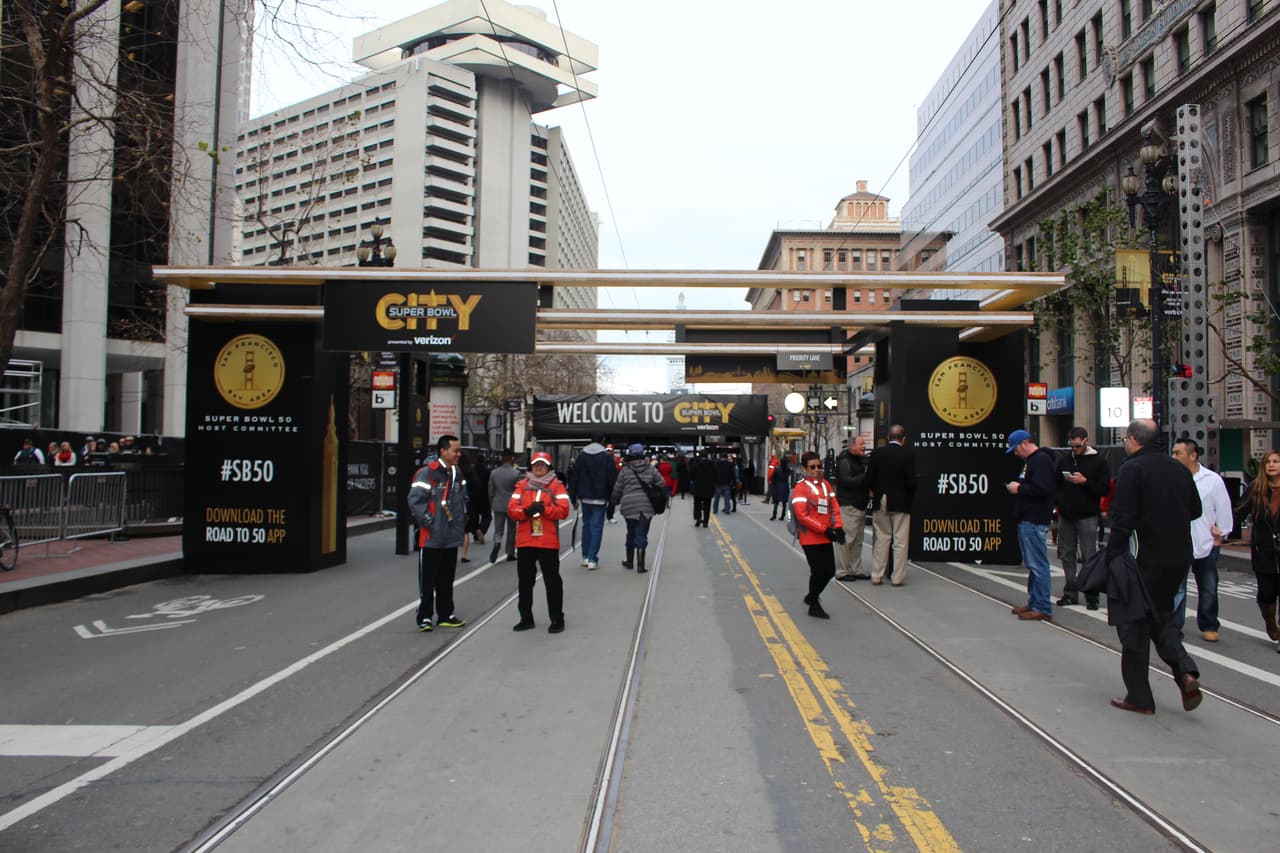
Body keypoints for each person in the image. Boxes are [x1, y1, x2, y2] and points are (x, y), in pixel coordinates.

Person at [1105, 419, 1204, 715]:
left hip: (1144, 558)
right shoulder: (1178, 468)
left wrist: (1111, 556)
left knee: (1133, 624)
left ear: (1133, 439)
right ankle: (1185, 671)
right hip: (1177, 557)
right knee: (1161, 617)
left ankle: (1139, 697)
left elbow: (1121, 518)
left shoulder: (1132, 469)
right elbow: (1195, 509)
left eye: (1125, 438)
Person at [1171, 437, 1233, 641]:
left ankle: (1209, 624)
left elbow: (1223, 507)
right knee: (1177, 587)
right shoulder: (1171, 477)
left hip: (1207, 540)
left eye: (1178, 453)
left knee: (1208, 586)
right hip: (1179, 540)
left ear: (1193, 455)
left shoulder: (1212, 479)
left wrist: (1222, 534)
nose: (1174, 457)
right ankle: (1174, 625)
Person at [407, 434, 469, 632]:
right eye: (455, 450)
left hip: (451, 537)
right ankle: (424, 617)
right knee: (428, 581)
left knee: (447, 579)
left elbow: (463, 499)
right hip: (431, 538)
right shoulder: (427, 473)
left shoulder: (457, 473)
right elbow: (415, 500)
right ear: (443, 451)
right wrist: (429, 522)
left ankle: (445, 614)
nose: (458, 454)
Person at [507, 451, 571, 633]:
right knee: (525, 582)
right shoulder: (521, 485)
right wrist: (527, 512)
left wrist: (544, 510)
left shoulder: (557, 486)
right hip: (526, 541)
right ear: (531, 466)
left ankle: (557, 619)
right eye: (536, 464)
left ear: (549, 467)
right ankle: (526, 618)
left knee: (552, 581)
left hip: (548, 541)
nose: (539, 467)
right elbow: (512, 510)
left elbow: (563, 510)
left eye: (542, 464)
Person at [1055, 427, 1111, 610]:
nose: (1075, 449)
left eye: (1077, 445)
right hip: (1067, 513)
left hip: (1087, 514)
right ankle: (1070, 591)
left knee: (1089, 555)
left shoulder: (1098, 462)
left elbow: (1104, 488)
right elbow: (1056, 484)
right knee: (1067, 553)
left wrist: (1086, 482)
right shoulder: (1065, 460)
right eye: (1072, 445)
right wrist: (1059, 503)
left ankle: (1091, 595)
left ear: (1085, 441)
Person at [1005, 429, 1057, 620]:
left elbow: (1043, 488)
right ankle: (1035, 601)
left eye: (1016, 449)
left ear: (1024, 443)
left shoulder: (1040, 460)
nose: (1016, 453)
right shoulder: (1034, 461)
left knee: (1038, 564)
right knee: (1033, 564)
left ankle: (1042, 606)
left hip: (1034, 518)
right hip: (1029, 517)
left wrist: (1020, 488)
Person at [791, 450, 845, 619]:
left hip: (825, 535)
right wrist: (825, 529)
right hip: (809, 537)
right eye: (812, 466)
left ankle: (812, 597)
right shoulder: (800, 488)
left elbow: (834, 507)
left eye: (819, 466)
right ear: (804, 468)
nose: (817, 469)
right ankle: (814, 603)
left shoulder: (826, 485)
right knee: (818, 571)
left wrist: (838, 527)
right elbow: (802, 516)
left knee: (829, 571)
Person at [866, 425, 916, 586]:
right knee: (900, 541)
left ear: (888, 437)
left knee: (882, 538)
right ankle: (897, 577)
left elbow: (869, 478)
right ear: (903, 439)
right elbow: (911, 481)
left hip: (881, 498)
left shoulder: (877, 453)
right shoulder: (907, 454)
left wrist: (878, 491)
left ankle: (877, 575)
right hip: (901, 500)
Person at [1244, 449, 1280, 652]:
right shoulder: (1255, 489)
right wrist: (1222, 530)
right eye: (1268, 462)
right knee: (1266, 595)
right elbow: (1238, 511)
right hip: (1264, 552)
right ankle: (1271, 625)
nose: (1272, 465)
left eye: (1276, 461)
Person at [610, 443, 665, 573]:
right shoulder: (651, 469)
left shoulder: (625, 470)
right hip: (646, 506)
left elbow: (617, 488)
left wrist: (614, 500)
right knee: (642, 533)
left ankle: (629, 562)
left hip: (629, 506)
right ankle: (640, 565)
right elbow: (661, 483)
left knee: (631, 532)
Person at [568, 433, 618, 571]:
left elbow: (574, 477)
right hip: (600, 497)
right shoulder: (606, 457)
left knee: (586, 527)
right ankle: (592, 558)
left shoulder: (582, 456)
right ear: (602, 441)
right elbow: (612, 478)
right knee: (596, 528)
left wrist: (574, 498)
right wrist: (614, 497)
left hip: (585, 497)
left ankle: (584, 556)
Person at [833, 437, 871, 582]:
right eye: (861, 444)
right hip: (849, 505)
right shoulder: (845, 462)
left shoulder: (857, 460)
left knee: (858, 540)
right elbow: (847, 481)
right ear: (852, 446)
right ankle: (842, 571)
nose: (864, 446)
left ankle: (856, 569)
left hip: (859, 504)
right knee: (847, 539)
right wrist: (865, 476)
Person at [487, 449, 521, 563]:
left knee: (498, 529)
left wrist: (492, 502)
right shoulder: (516, 473)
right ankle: (510, 552)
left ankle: (497, 543)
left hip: (498, 503)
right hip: (512, 505)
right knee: (511, 529)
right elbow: (519, 491)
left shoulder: (494, 473)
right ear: (512, 458)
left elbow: (491, 491)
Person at [689, 450, 716, 527]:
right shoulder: (712, 464)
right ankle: (705, 522)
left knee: (697, 504)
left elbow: (691, 475)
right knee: (707, 505)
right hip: (708, 488)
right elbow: (715, 475)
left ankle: (698, 519)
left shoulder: (695, 464)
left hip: (698, 487)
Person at [768, 453, 792, 521]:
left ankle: (774, 515)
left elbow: (773, 478)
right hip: (785, 486)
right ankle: (782, 516)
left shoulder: (777, 469)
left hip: (777, 486)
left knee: (776, 502)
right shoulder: (788, 470)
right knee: (784, 503)